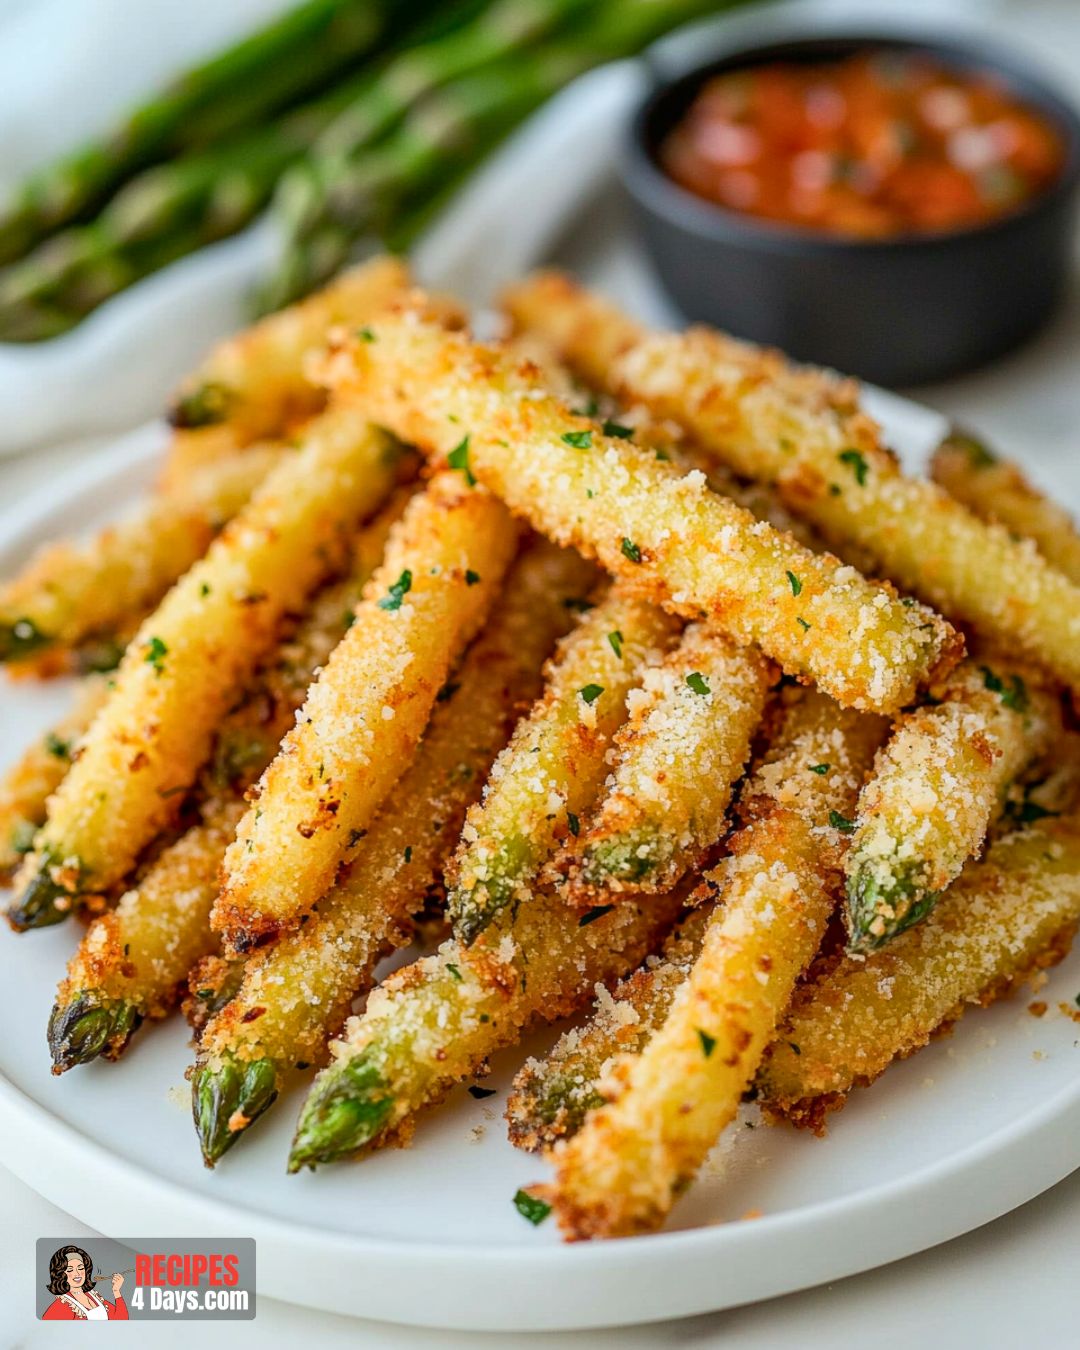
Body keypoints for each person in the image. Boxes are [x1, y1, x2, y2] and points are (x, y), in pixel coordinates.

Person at [41, 1244, 128, 1320]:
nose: (77, 1273)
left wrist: (116, 1291)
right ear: (60, 1274)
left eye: (81, 1268)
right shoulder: (61, 1306)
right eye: (70, 1270)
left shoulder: (93, 1296)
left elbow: (121, 1320)